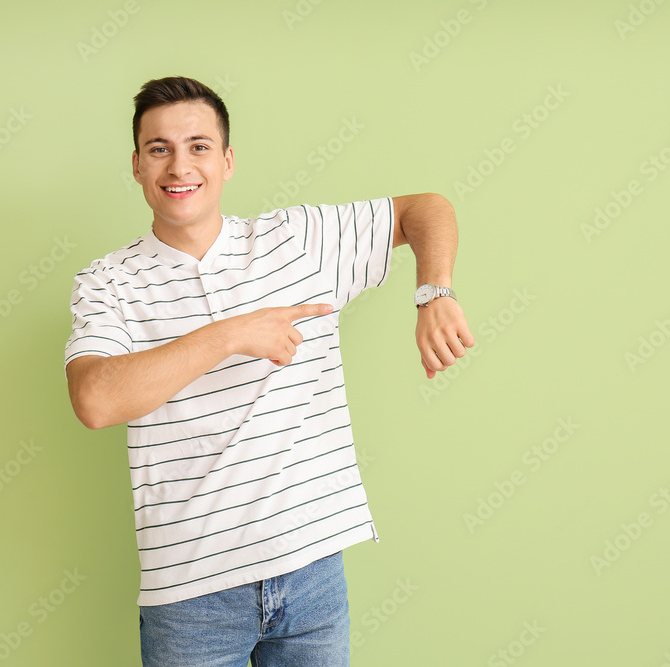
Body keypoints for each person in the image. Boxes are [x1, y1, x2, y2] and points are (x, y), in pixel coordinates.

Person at [64, 76, 474, 667]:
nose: (180, 165)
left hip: (313, 574)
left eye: (199, 145)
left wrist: (434, 292)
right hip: (191, 598)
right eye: (160, 149)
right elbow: (95, 400)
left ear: (227, 160)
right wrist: (232, 334)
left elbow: (426, 210)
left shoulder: (298, 241)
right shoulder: (109, 282)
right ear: (136, 165)